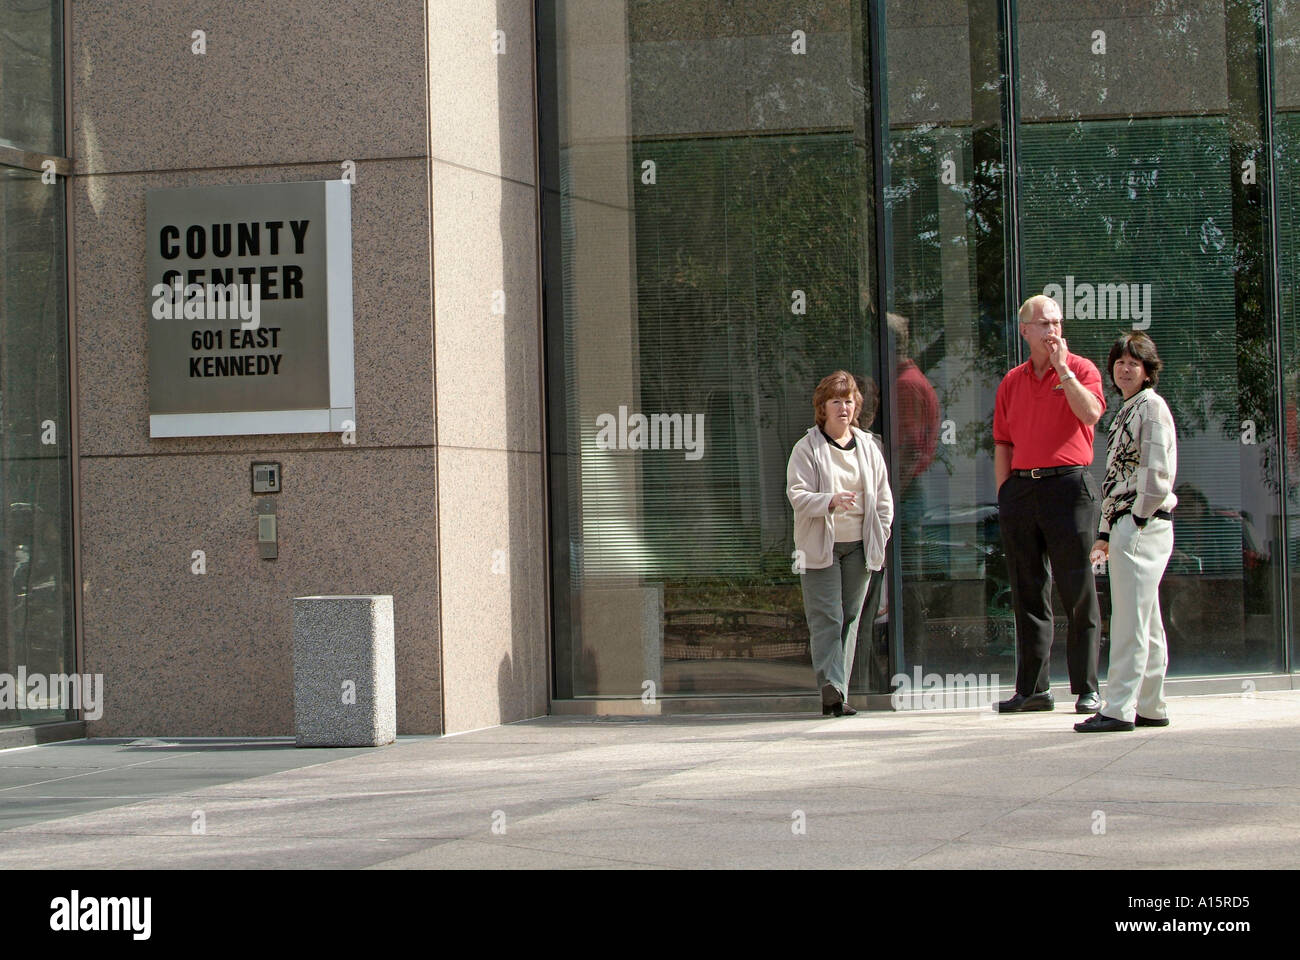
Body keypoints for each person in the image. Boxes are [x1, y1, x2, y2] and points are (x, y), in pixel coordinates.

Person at [993, 294, 1106, 715]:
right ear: (1025, 331)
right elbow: (1002, 442)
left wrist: (1063, 370)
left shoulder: (1081, 369)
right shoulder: (1011, 382)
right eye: (1044, 323)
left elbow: (1091, 414)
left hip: (1068, 486)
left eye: (1057, 322)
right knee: (1027, 591)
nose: (1053, 330)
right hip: (1022, 489)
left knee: (1078, 590)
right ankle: (1033, 689)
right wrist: (1005, 493)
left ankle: (1087, 688)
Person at [1077, 332, 1177, 732]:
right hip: (1129, 523)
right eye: (1120, 361)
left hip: (1142, 524)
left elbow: (1156, 473)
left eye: (1134, 362)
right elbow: (1115, 477)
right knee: (1145, 619)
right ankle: (1151, 705)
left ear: (1148, 369)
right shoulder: (1128, 409)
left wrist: (1134, 520)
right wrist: (1105, 531)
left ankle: (1117, 708)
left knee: (1128, 622)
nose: (1125, 368)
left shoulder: (1150, 407)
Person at [787, 371, 894, 716]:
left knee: (849, 617)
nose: (843, 407)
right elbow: (797, 495)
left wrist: (882, 532)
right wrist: (829, 501)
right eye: (836, 401)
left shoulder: (868, 447)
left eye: (849, 401)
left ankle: (838, 692)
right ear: (823, 407)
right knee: (827, 618)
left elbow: (883, 499)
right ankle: (831, 689)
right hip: (821, 546)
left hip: (859, 547)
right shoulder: (807, 448)